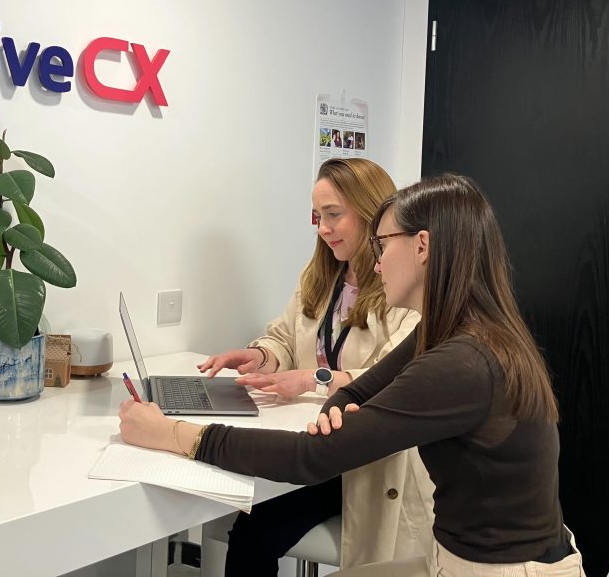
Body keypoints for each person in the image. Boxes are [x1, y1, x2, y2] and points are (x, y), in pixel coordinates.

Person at [120, 174, 584, 577]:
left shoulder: (461, 363)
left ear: (422, 246)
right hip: (468, 557)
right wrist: (336, 412)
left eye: (383, 246)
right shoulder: (456, 332)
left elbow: (309, 460)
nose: (376, 263)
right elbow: (361, 389)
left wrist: (172, 433)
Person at [194, 157, 434, 573]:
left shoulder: (408, 288)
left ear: (372, 212)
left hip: (361, 459)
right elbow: (286, 337)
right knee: (252, 533)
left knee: (256, 532)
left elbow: (398, 376)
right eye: (318, 216)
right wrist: (262, 356)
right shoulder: (321, 275)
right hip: (312, 440)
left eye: (334, 215)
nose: (323, 228)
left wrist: (314, 379)